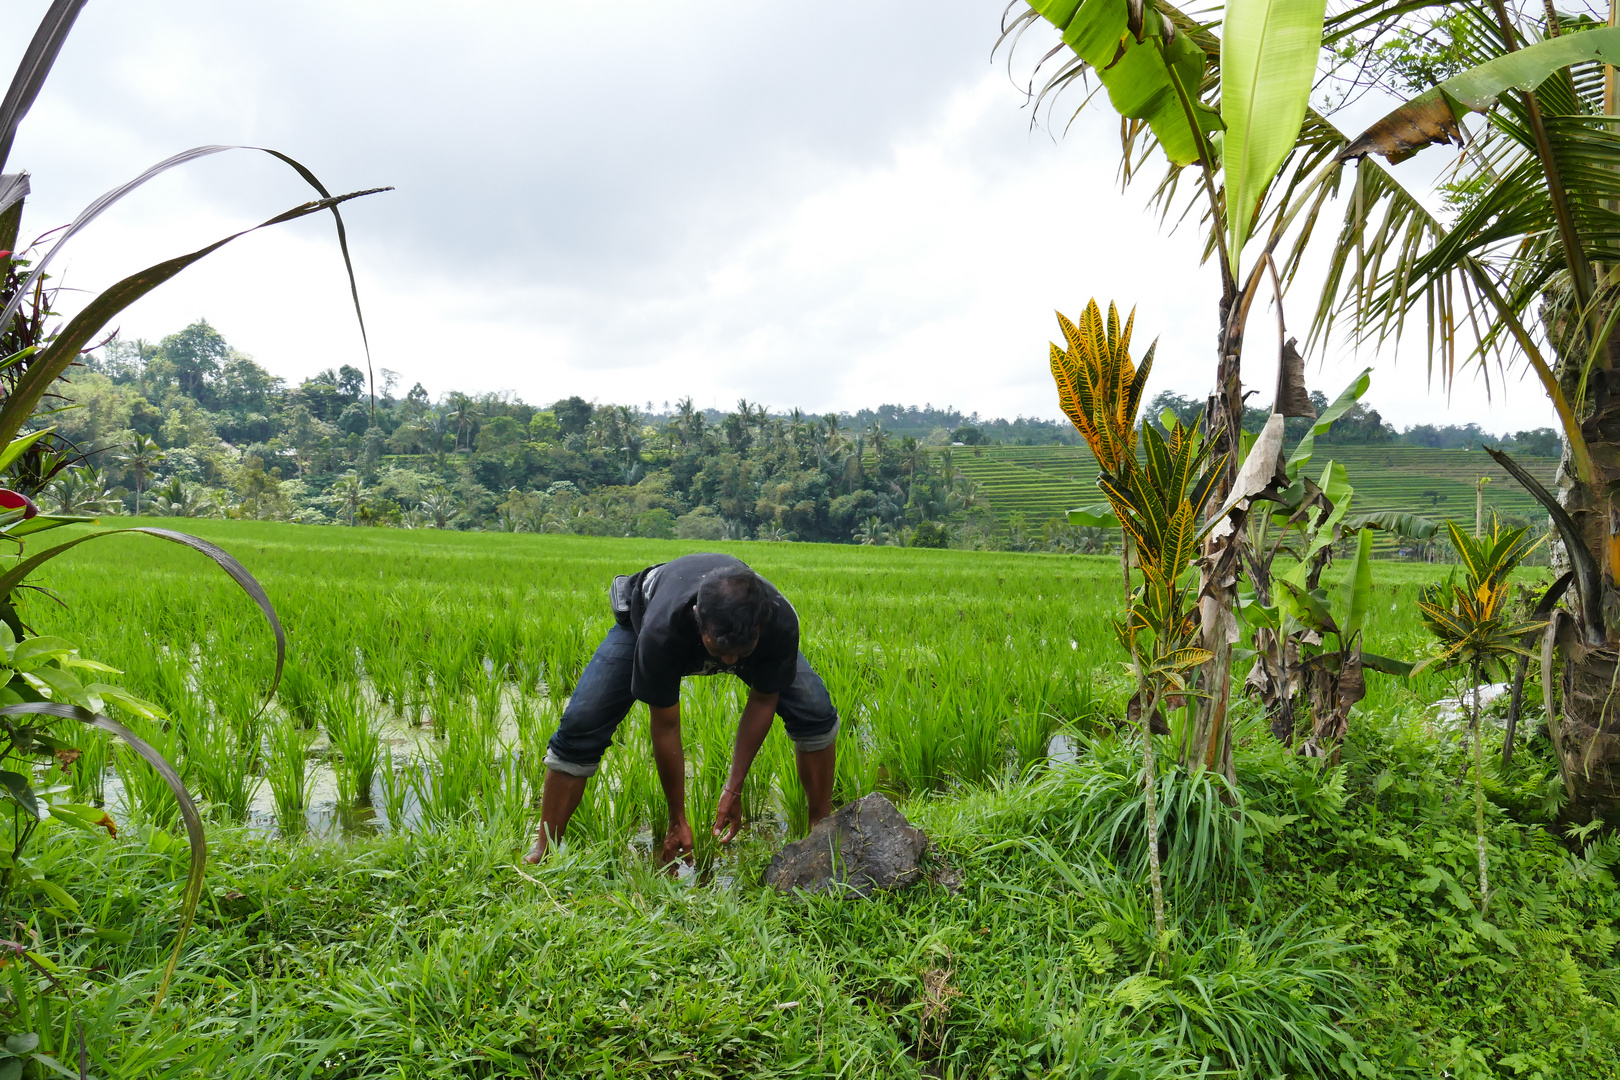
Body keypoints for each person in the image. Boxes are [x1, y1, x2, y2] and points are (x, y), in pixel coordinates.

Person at [523, 552, 839, 865]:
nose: (728, 663)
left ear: (759, 628)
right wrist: (678, 818)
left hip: (737, 632)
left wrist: (734, 788)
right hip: (647, 614)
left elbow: (763, 699)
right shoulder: (661, 630)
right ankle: (544, 849)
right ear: (697, 616)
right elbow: (666, 725)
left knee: (815, 711)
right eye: (719, 650)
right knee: (582, 723)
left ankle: (820, 829)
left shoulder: (778, 622)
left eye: (740, 653)